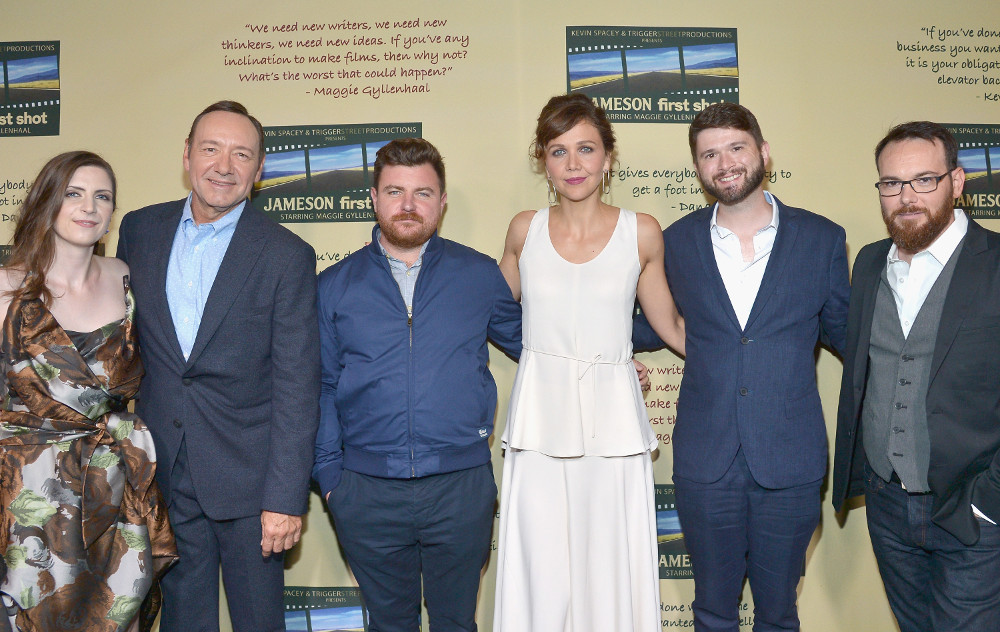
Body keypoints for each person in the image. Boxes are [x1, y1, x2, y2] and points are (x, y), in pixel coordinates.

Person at [633, 102, 849, 631]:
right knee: (711, 611)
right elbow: (643, 323)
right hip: (706, 462)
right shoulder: (675, 242)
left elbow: (851, 336)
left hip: (791, 461)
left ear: (763, 152)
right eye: (710, 154)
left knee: (778, 612)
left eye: (736, 147)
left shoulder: (822, 238)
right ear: (698, 167)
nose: (724, 162)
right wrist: (610, 357)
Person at [116, 101, 320, 632]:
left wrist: (284, 497)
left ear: (258, 172)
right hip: (163, 473)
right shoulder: (140, 231)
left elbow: (298, 384)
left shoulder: (285, 254)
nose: (223, 166)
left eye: (241, 154)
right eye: (210, 148)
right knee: (183, 621)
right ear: (187, 155)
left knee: (258, 621)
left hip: (251, 485)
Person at [492, 93, 684, 632]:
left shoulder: (641, 231)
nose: (573, 164)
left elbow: (669, 325)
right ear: (543, 161)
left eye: (586, 149)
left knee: (609, 562)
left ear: (607, 157)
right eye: (558, 151)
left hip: (613, 422)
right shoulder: (523, 229)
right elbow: (489, 313)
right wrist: (538, 356)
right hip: (539, 421)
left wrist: (618, 360)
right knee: (541, 564)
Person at [313, 138, 522, 632]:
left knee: (456, 623)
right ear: (373, 197)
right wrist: (331, 479)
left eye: (423, 193)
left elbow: (536, 346)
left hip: (460, 487)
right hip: (364, 490)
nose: (408, 206)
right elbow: (319, 386)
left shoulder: (478, 274)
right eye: (395, 192)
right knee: (390, 624)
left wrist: (616, 355)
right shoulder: (332, 285)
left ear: (442, 201)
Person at [832, 121, 1000, 631]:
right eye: (891, 184)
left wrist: (990, 503)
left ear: (957, 181)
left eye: (923, 180)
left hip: (973, 510)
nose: (906, 197)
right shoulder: (867, 263)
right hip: (887, 507)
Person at [0, 151, 177, 632]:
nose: (89, 206)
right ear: (46, 201)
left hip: (114, 489)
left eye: (103, 197)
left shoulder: (126, 277)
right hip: (29, 495)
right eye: (74, 193)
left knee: (110, 618)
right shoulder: (6, 287)